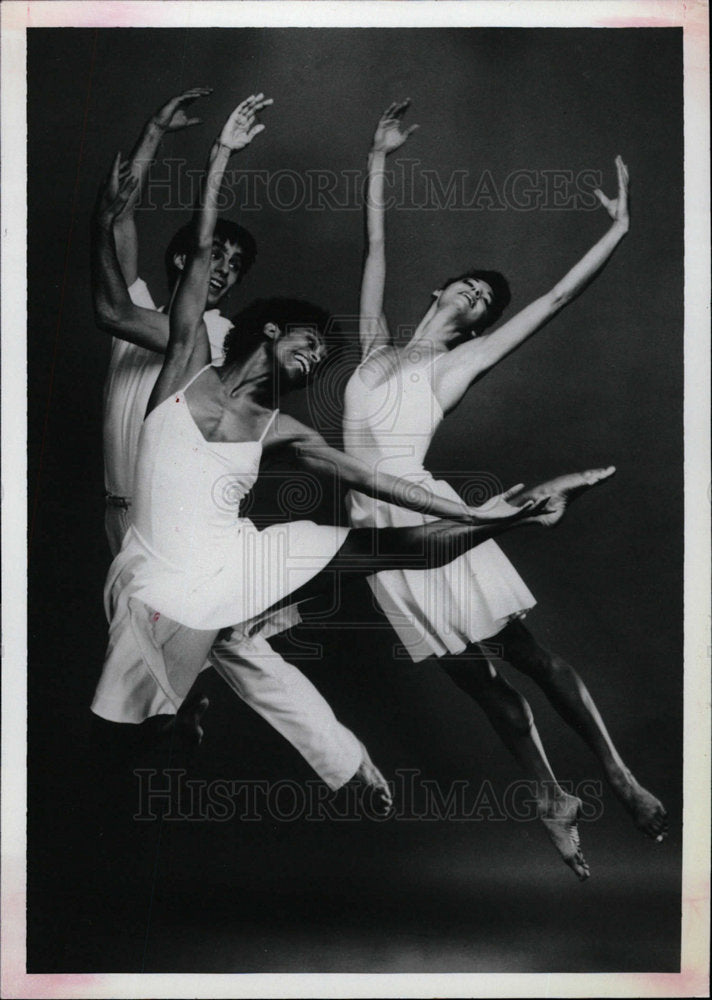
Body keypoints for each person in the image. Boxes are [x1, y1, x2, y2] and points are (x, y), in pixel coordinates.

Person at [97, 96, 616, 875]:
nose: (316, 365)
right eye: (309, 346)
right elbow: (198, 256)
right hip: (154, 558)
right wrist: (220, 156)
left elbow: (376, 480)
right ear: (270, 332)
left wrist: (485, 511)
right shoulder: (186, 357)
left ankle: (527, 507)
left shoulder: (294, 429)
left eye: (321, 356)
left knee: (397, 553)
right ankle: (186, 725)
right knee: (138, 720)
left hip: (243, 551)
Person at [342, 99, 668, 852]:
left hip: (432, 512)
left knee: (529, 657)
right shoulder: (373, 344)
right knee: (480, 686)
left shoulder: (459, 366)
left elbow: (553, 301)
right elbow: (375, 245)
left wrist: (617, 229)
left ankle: (618, 773)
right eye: (470, 286)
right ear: (441, 290)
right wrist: (379, 159)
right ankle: (552, 794)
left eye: (486, 303)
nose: (477, 297)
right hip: (377, 534)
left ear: (480, 326)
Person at [92, 89, 388, 802]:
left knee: (232, 643)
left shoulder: (216, 340)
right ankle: (179, 716)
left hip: (182, 524)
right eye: (212, 255)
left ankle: (345, 763)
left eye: (233, 264)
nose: (221, 267)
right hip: (120, 515)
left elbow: (283, 431)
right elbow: (119, 215)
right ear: (184, 257)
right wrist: (154, 131)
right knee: (174, 643)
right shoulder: (136, 306)